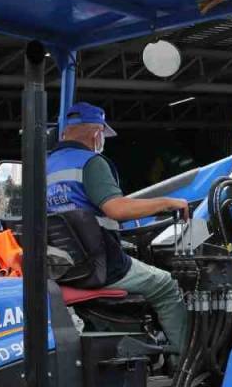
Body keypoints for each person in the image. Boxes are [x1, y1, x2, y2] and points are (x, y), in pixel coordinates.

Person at [46, 102, 189, 351]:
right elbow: (117, 209)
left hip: (61, 266)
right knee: (166, 284)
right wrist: (166, 203)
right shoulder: (91, 163)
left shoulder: (44, 166)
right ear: (97, 133)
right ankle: (185, 363)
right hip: (100, 268)